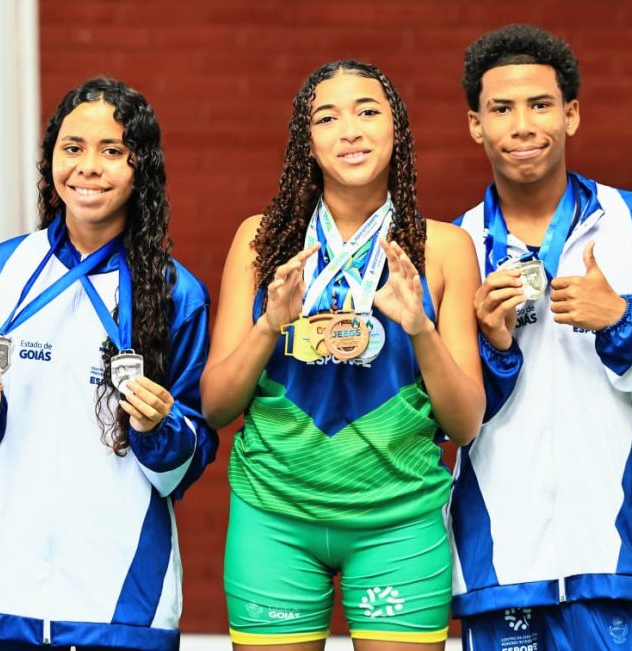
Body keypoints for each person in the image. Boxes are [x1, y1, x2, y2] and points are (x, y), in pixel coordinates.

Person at [449, 24, 632, 650]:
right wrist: (493, 348)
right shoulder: (456, 244)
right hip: (502, 570)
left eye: (541, 105)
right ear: (475, 125)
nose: (522, 125)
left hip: (619, 557)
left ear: (570, 115)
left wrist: (623, 320)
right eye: (502, 109)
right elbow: (442, 420)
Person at [202, 60, 485, 650]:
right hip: (273, 511)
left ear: (397, 129)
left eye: (367, 111)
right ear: (307, 141)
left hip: (399, 517)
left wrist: (420, 329)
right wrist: (269, 325)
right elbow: (216, 404)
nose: (349, 130)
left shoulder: (445, 249)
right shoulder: (260, 241)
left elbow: (465, 422)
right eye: (327, 118)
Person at [0, 77, 217, 651]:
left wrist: (157, 428)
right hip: (3, 591)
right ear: (50, 161)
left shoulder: (174, 294)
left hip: (123, 601)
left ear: (140, 167)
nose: (88, 166)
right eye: (72, 148)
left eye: (112, 151)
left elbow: (182, 470)